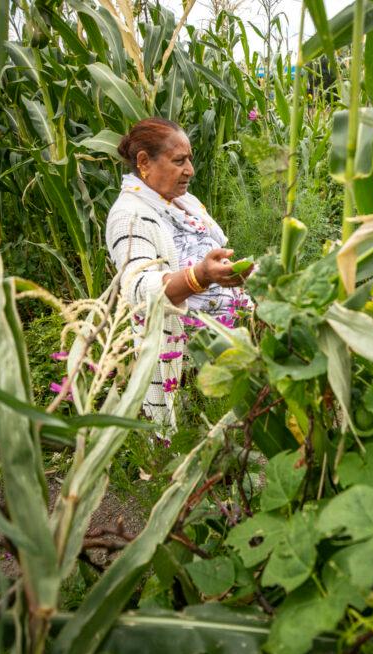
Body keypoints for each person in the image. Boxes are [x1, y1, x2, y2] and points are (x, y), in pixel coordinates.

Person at [107, 117, 253, 427]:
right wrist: (200, 276)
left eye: (189, 159)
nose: (190, 170)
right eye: (179, 161)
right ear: (144, 162)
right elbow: (138, 287)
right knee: (193, 449)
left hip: (225, 348)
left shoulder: (183, 201)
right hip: (183, 362)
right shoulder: (128, 216)